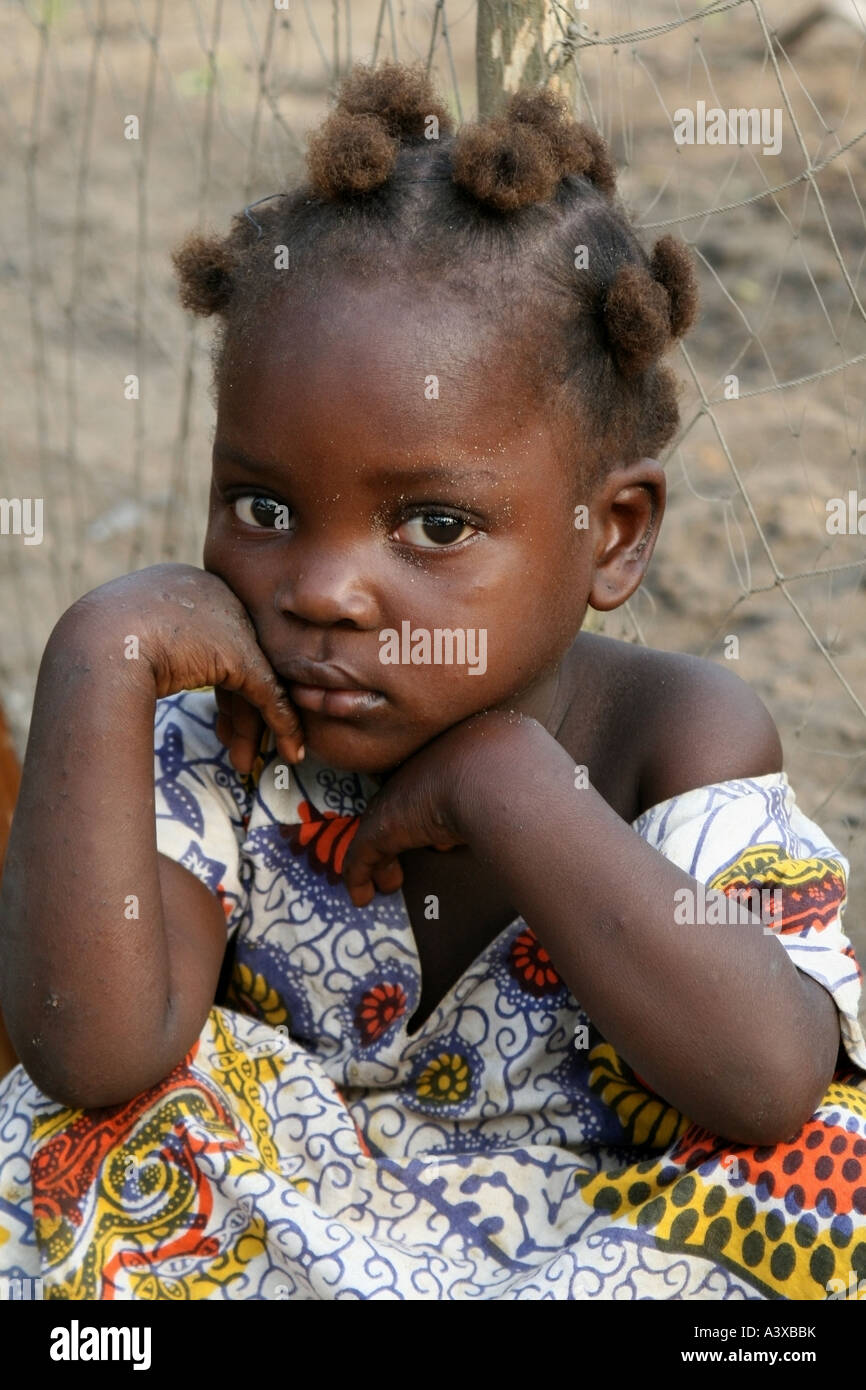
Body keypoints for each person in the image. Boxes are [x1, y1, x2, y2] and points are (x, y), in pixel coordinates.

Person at [0, 60, 864, 1302]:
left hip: (588, 1253)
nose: (324, 591)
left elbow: (770, 1078)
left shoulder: (677, 736)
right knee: (57, 1139)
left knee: (826, 1180)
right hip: (275, 1239)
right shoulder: (229, 736)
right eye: (262, 505)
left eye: (435, 528)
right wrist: (96, 657)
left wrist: (518, 789)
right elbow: (90, 1052)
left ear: (611, 534)